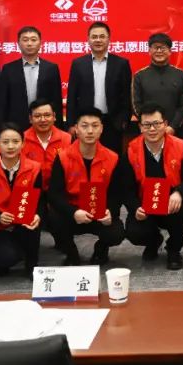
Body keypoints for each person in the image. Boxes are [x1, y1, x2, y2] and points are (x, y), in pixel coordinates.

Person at [122, 103, 183, 270]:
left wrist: (179, 193)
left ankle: (174, 249)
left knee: (179, 214)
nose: (152, 129)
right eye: (147, 125)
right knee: (134, 232)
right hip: (144, 205)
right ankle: (153, 241)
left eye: (156, 124)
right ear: (140, 127)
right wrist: (135, 208)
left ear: (165, 124)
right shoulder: (131, 150)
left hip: (173, 203)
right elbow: (126, 188)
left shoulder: (181, 146)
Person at [48, 108, 126, 265]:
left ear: (101, 129)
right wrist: (73, 212)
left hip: (100, 213)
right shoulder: (63, 157)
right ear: (76, 129)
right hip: (74, 213)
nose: (90, 131)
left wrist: (110, 211)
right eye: (84, 126)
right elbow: (54, 194)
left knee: (116, 233)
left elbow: (117, 193)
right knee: (52, 219)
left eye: (95, 126)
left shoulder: (113, 158)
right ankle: (71, 253)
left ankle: (101, 249)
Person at [0, 124, 43, 276]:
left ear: (23, 144)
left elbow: (41, 200)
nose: (10, 146)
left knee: (33, 225)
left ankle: (32, 263)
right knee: (6, 258)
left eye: (15, 141)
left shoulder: (34, 168)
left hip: (24, 223)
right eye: (5, 142)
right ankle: (3, 253)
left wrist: (37, 215)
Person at [66, 21, 132, 152]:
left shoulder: (121, 64)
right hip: (85, 123)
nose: (98, 40)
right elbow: (72, 96)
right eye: (94, 37)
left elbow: (126, 95)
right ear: (88, 39)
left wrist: (123, 121)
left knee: (113, 159)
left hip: (112, 123)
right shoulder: (78, 64)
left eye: (102, 36)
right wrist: (71, 124)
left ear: (108, 39)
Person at [0, 26, 64, 129]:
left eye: (33, 40)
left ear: (40, 43)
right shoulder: (8, 69)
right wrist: (1, 127)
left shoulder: (51, 68)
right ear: (18, 43)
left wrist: (58, 127)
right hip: (16, 124)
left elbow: (56, 100)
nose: (29, 43)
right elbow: (3, 102)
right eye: (25, 40)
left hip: (44, 122)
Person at [132, 33, 183, 137]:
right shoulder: (139, 76)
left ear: (170, 51)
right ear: (149, 51)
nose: (159, 51)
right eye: (155, 47)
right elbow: (136, 104)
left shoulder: (180, 74)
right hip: (149, 132)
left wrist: (172, 127)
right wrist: (150, 126)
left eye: (163, 48)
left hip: (175, 131)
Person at [22, 98, 72, 183]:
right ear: (30, 119)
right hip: (29, 186)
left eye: (47, 115)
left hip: (59, 186)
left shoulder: (67, 139)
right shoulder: (21, 139)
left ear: (54, 116)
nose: (43, 120)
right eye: (37, 116)